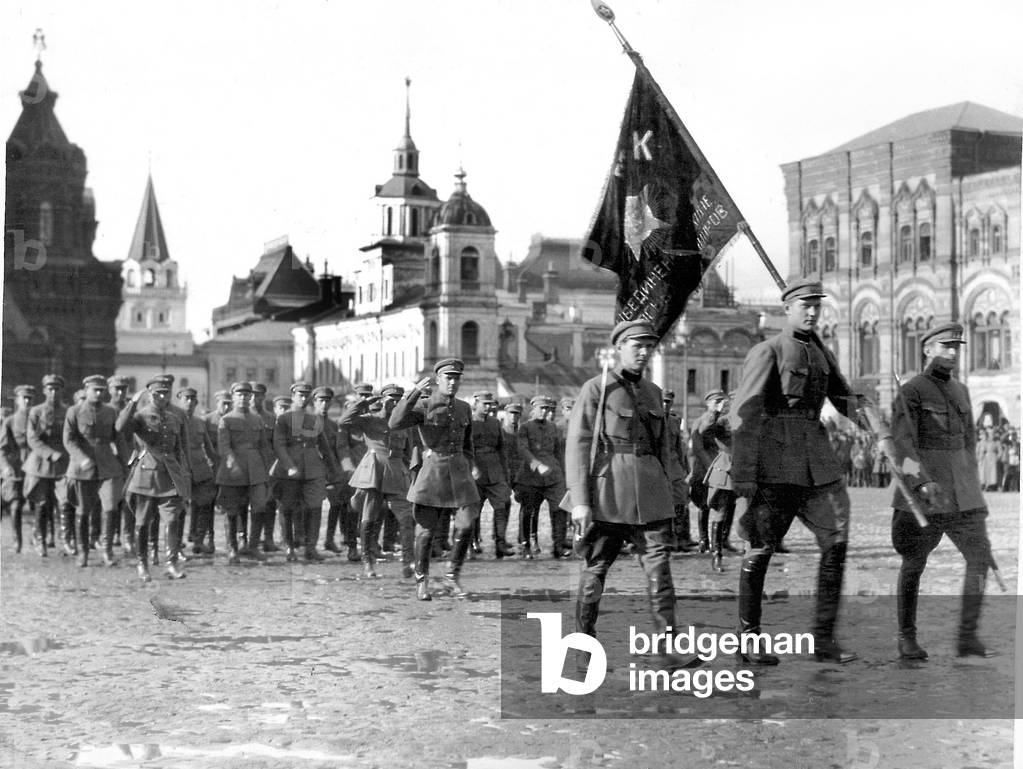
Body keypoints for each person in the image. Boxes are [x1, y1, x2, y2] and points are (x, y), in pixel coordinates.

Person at [729, 278, 867, 664]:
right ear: (786, 308)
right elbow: (746, 413)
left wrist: (877, 425)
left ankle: (824, 638)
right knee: (761, 548)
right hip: (775, 465)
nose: (811, 312)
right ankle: (749, 638)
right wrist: (743, 475)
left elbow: (844, 400)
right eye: (804, 305)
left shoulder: (821, 355)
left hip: (818, 465)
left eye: (816, 306)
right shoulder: (767, 350)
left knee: (836, 541)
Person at [565, 320, 696, 669]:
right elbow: (577, 446)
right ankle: (582, 648)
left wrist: (675, 491)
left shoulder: (653, 393)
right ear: (619, 347)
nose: (643, 352)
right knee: (595, 571)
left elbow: (664, 449)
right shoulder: (597, 389)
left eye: (648, 347)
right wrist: (580, 501)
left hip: (650, 495)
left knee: (660, 569)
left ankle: (667, 648)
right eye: (636, 345)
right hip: (607, 495)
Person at [889, 322, 997, 659]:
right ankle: (906, 637)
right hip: (925, 493)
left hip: (962, 494)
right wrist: (920, 481)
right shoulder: (911, 391)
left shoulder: (962, 391)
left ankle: (967, 635)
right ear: (927, 349)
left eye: (956, 346)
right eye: (944, 346)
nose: (951, 352)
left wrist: (975, 493)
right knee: (914, 563)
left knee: (980, 559)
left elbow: (969, 444)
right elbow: (902, 449)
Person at [389, 359, 479, 600]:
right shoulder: (424, 405)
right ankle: (422, 581)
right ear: (438, 379)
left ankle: (451, 577)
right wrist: (414, 393)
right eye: (448, 378)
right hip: (433, 474)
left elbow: (468, 442)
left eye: (456, 378)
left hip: (459, 475)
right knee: (426, 532)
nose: (452, 382)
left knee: (467, 524)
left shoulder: (464, 408)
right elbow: (395, 422)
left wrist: (469, 466)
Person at [116, 374, 191, 581]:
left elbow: (180, 450)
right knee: (142, 522)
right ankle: (142, 564)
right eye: (157, 393)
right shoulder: (140, 416)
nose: (162, 396)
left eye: (165, 393)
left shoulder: (175, 418)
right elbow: (120, 427)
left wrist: (183, 476)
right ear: (150, 394)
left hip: (170, 477)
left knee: (172, 519)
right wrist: (132, 402)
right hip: (146, 477)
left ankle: (171, 563)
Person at [339, 383, 414, 578]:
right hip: (374, 471)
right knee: (368, 519)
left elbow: (409, 452)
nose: (395, 403)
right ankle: (368, 562)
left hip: (397, 472)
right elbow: (344, 421)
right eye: (391, 399)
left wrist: (410, 474)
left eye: (398, 400)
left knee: (406, 519)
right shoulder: (369, 419)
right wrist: (365, 402)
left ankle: (408, 562)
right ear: (382, 400)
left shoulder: (404, 424)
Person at [270, 381, 338, 563]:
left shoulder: (315, 419)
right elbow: (279, 444)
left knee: (314, 507)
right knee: (287, 509)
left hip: (313, 470)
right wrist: (288, 465)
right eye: (299, 395)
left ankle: (311, 548)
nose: (303, 398)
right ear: (293, 396)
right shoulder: (284, 419)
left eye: (306, 395)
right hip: (289, 471)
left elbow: (324, 447)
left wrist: (334, 470)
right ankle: (290, 547)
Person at [64, 375, 124, 567]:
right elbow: (69, 440)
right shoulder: (74, 412)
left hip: (108, 467)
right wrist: (81, 459)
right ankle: (83, 553)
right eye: (95, 390)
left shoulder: (111, 412)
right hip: (83, 469)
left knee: (111, 508)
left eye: (101, 390)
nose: (98, 393)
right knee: (82, 511)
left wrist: (129, 461)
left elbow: (118, 439)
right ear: (87, 390)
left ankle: (107, 552)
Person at [216, 381, 270, 565]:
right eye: (240, 395)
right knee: (232, 510)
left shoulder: (258, 420)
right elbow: (224, 446)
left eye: (247, 395)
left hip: (255, 470)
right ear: (233, 397)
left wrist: (266, 469)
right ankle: (232, 548)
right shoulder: (227, 420)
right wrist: (232, 463)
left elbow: (264, 446)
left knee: (259, 506)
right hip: (234, 472)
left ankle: (252, 546)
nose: (244, 398)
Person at [23, 374, 72, 558]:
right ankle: (41, 541)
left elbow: (72, 436)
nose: (53, 392)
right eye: (50, 389)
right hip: (41, 463)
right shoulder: (36, 412)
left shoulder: (68, 412)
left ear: (61, 391)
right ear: (44, 390)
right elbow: (32, 438)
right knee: (42, 504)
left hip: (63, 464)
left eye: (57, 389)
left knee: (66, 502)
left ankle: (66, 540)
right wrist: (50, 453)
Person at [515, 395, 570, 559]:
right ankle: (526, 545)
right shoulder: (525, 428)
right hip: (531, 477)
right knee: (529, 511)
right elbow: (523, 450)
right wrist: (537, 465)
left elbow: (558, 452)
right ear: (533, 409)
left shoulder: (553, 427)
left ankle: (558, 546)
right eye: (541, 408)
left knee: (560, 508)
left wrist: (564, 474)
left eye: (547, 408)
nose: (545, 411)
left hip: (553, 475)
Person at [469, 391, 513, 559]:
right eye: (484, 404)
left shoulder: (495, 423)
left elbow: (502, 450)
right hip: (476, 473)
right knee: (474, 510)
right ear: (476, 404)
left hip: (495, 472)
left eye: (490, 404)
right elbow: (465, 448)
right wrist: (471, 467)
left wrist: (505, 474)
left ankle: (500, 544)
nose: (488, 407)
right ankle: (471, 544)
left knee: (501, 506)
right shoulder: (469, 422)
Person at [177, 387, 218, 556]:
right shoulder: (173, 421)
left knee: (206, 503)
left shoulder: (200, 422)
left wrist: (218, 467)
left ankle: (199, 541)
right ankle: (176, 545)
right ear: (179, 401)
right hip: (180, 468)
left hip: (200, 468)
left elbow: (209, 449)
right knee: (177, 508)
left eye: (192, 400)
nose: (189, 402)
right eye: (186, 399)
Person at [688, 390, 725, 552]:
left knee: (721, 505)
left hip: (720, 468)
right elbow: (697, 447)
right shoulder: (701, 421)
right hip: (704, 469)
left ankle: (719, 543)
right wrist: (711, 466)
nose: (720, 405)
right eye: (716, 402)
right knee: (703, 505)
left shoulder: (722, 421)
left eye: (721, 402)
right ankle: (704, 541)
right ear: (708, 403)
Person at [0, 384, 36, 554]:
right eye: (24, 398)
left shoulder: (39, 419)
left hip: (37, 468)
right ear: (17, 401)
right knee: (15, 506)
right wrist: (6, 467)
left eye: (30, 398)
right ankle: (17, 540)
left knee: (41, 505)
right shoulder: (10, 421)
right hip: (17, 470)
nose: (27, 401)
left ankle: (39, 537)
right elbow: (2, 449)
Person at [661, 390, 696, 552]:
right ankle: (665, 540)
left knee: (680, 503)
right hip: (658, 468)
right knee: (661, 506)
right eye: (663, 401)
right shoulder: (652, 421)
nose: (665, 405)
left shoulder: (675, 422)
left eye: (668, 402)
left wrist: (685, 469)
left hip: (675, 468)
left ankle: (682, 539)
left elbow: (679, 448)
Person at [497, 402, 524, 557]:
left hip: (519, 472)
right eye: (511, 413)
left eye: (517, 414)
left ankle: (522, 538)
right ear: (506, 414)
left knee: (525, 502)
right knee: (503, 505)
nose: (514, 417)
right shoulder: (501, 431)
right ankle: (499, 538)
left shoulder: (522, 432)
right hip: (504, 472)